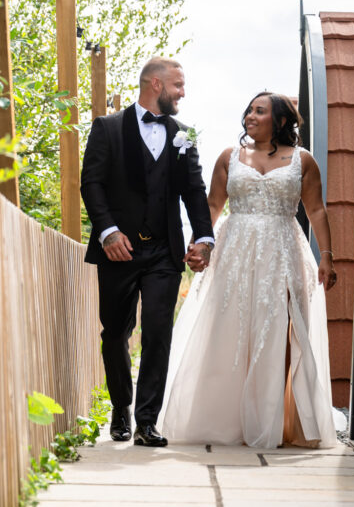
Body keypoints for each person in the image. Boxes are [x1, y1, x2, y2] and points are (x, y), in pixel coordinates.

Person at [159, 91, 338, 449]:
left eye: (260, 111)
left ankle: (278, 420)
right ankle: (226, 417)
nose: (250, 116)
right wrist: (200, 245)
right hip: (235, 250)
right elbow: (212, 204)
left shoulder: (303, 161)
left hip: (283, 252)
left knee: (280, 331)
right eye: (249, 111)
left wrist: (327, 256)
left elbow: (316, 210)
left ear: (282, 121)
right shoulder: (230, 156)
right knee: (231, 329)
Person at [80, 57, 214, 447]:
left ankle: (146, 422)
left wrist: (203, 237)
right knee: (116, 332)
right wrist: (107, 232)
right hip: (117, 250)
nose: (183, 93)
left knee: (158, 333)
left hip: (163, 252)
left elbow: (194, 190)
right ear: (155, 84)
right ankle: (120, 408)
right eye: (178, 85)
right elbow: (92, 183)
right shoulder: (107, 128)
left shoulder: (183, 134)